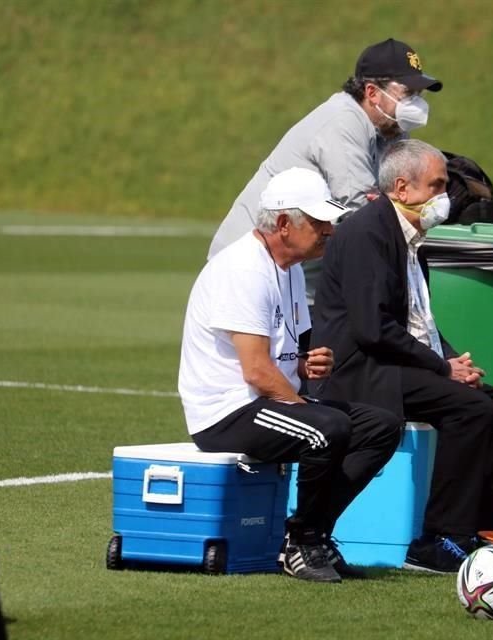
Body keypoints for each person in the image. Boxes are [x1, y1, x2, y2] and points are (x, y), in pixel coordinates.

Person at [178, 167, 403, 583]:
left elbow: (290, 353)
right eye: (319, 223)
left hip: (263, 403)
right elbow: (257, 371)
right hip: (227, 412)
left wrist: (306, 365)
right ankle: (301, 544)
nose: (328, 232)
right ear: (284, 224)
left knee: (383, 426)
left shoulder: (290, 268)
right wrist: (309, 410)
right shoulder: (244, 269)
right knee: (328, 427)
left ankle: (312, 532)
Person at [311, 140, 493, 574]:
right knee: (470, 410)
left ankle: (477, 533)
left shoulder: (410, 238)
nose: (445, 197)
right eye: (438, 185)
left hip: (394, 362)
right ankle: (438, 540)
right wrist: (440, 367)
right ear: (404, 187)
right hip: (360, 370)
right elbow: (374, 329)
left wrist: (451, 360)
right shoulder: (368, 232)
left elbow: (418, 318)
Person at [207, 38, 443, 303]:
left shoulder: (392, 129)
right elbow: (359, 208)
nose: (417, 104)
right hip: (249, 265)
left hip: (298, 275)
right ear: (372, 92)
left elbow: (403, 193)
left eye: (419, 95)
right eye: (408, 93)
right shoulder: (343, 122)